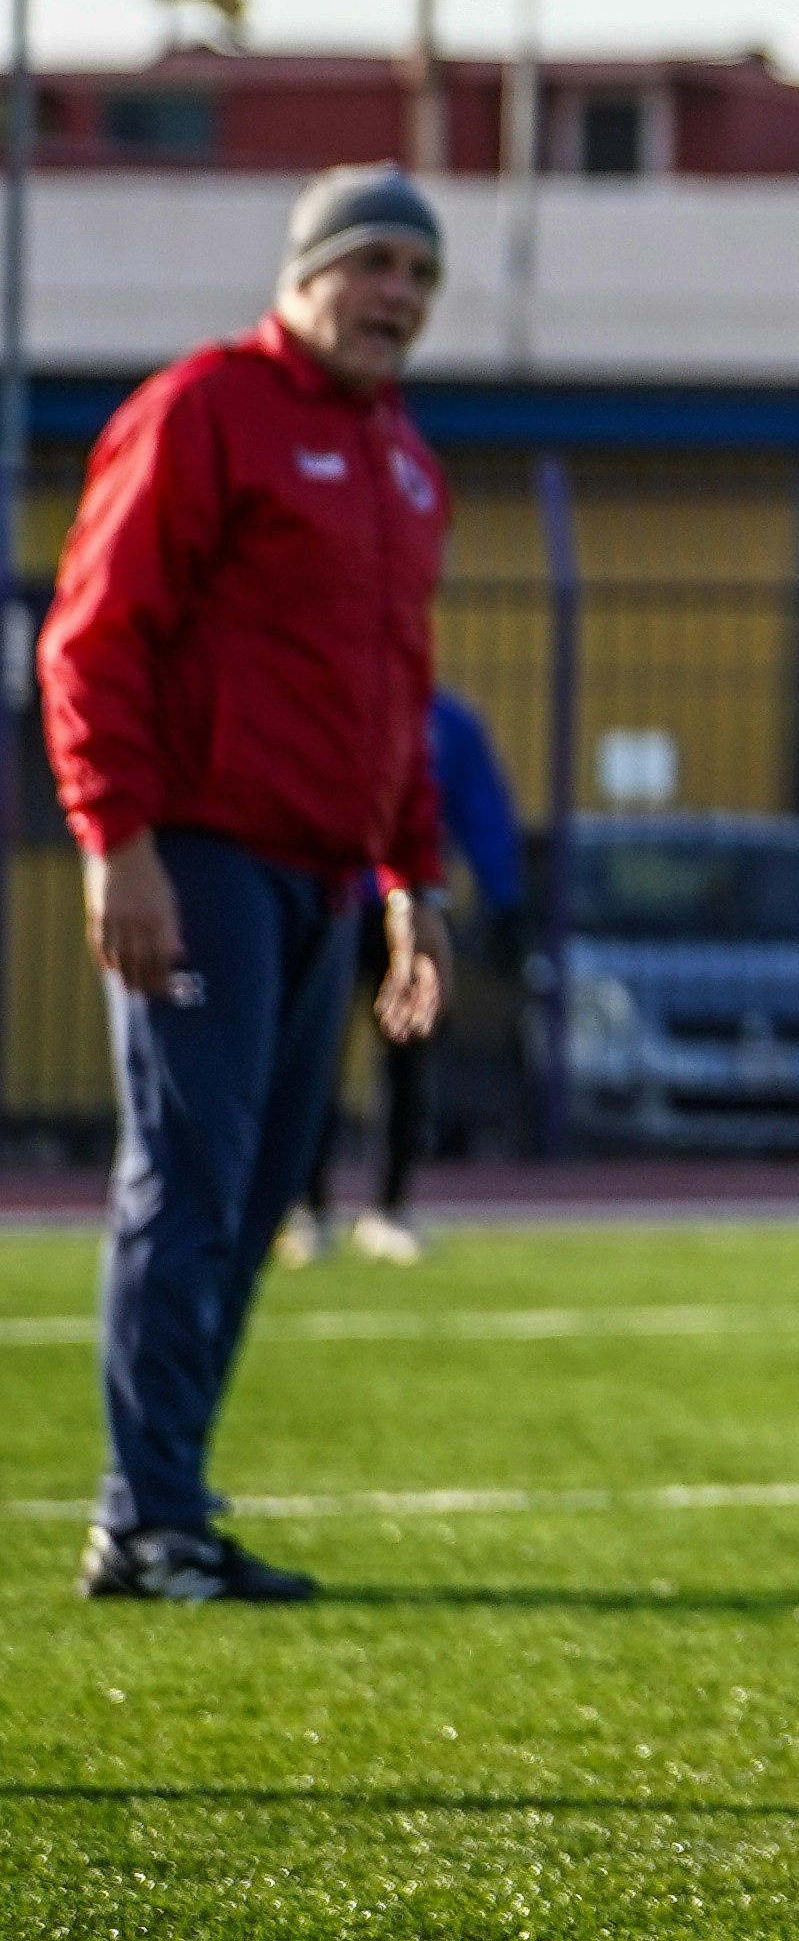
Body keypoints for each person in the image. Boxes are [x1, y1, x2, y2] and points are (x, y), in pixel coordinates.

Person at [43, 166, 459, 1602]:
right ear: (305, 272)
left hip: (330, 887)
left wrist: (413, 875)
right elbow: (92, 639)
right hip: (203, 861)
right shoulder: (205, 411)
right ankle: (145, 1521)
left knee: (268, 1187)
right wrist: (122, 840)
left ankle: (173, 1506)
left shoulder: (408, 462)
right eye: (374, 265)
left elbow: (400, 696)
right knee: (191, 1181)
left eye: (420, 274)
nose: (397, 295)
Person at [284, 691, 520, 1269]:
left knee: (408, 1059)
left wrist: (505, 895)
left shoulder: (444, 724)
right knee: (314, 1062)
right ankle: (306, 1210)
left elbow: (478, 808)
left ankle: (390, 1207)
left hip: (407, 909)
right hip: (328, 901)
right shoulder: (319, 701)